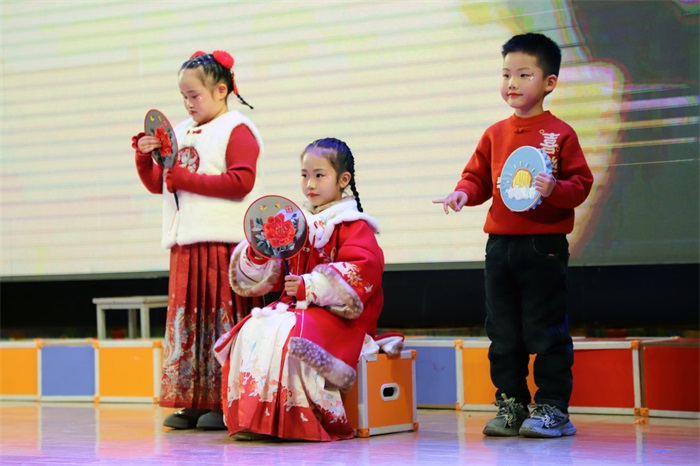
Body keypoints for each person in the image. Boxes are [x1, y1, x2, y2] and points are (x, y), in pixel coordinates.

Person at [434, 33, 593, 438]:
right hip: (500, 246)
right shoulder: (495, 133)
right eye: (506, 74)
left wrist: (554, 189)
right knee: (502, 332)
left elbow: (581, 184)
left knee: (546, 329)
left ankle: (553, 409)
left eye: (524, 74)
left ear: (549, 82)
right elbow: (476, 178)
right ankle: (511, 406)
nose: (512, 83)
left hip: (543, 248)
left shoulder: (560, 134)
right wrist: (462, 193)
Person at [214, 137, 392, 442]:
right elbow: (267, 276)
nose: (310, 184)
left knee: (290, 334)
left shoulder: (353, 224)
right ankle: (254, 421)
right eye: (304, 175)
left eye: (319, 175)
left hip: (339, 317)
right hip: (297, 308)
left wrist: (309, 286)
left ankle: (296, 422)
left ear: (343, 180)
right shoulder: (296, 222)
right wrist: (260, 252)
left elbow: (364, 270)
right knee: (254, 328)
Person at [131, 50, 264, 430]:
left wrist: (186, 179)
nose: (189, 104)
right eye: (184, 97)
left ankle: (224, 403)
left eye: (195, 95)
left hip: (223, 245)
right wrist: (144, 158)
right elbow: (161, 184)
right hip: (187, 244)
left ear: (221, 90)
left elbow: (242, 181)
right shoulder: (180, 131)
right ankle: (192, 401)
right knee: (191, 324)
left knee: (220, 322)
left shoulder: (237, 129)